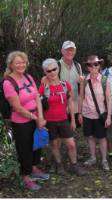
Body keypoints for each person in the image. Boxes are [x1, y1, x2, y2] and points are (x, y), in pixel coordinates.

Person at [3, 51, 48, 191]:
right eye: (17, 62)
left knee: (36, 145)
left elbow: (37, 98)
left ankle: (33, 169)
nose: (21, 65)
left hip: (35, 117)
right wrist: (35, 118)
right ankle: (26, 177)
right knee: (25, 149)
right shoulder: (8, 82)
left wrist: (40, 117)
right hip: (21, 122)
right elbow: (17, 107)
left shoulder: (28, 77)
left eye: (23, 62)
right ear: (11, 65)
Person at [39, 58, 87, 176]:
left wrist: (73, 120)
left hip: (63, 120)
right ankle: (59, 165)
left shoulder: (65, 85)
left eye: (54, 69)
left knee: (71, 144)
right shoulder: (43, 87)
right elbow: (38, 103)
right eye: (48, 71)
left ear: (58, 68)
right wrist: (40, 119)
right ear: (45, 72)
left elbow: (70, 103)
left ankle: (74, 165)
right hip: (50, 121)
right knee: (54, 144)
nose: (52, 72)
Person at [78, 55, 112, 171]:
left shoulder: (105, 80)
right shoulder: (84, 80)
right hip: (87, 114)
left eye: (95, 64)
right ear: (87, 67)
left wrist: (108, 117)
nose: (93, 67)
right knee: (90, 137)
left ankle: (104, 160)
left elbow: (108, 99)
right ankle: (92, 158)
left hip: (100, 115)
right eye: (89, 64)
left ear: (99, 65)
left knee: (102, 138)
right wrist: (79, 113)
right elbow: (81, 96)